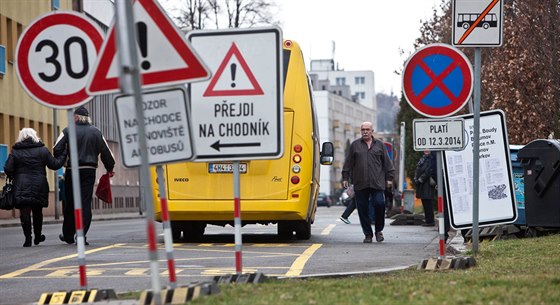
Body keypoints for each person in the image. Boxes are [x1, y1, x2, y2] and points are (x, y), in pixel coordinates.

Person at [54, 106, 115, 245]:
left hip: (72, 170)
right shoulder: (96, 132)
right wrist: (109, 168)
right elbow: (107, 153)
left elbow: (56, 149)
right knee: (85, 203)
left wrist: (65, 157)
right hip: (89, 170)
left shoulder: (68, 131)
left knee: (70, 202)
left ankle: (68, 235)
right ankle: (82, 235)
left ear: (76, 117)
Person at [3, 128, 66, 247]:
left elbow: (7, 168)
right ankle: (38, 236)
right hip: (39, 184)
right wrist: (65, 153)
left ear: (21, 137)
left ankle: (28, 239)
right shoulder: (42, 150)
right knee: (38, 211)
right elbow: (55, 165)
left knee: (24, 212)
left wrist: (15, 176)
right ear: (35, 136)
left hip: (21, 185)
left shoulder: (16, 151)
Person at [341, 121, 395, 243]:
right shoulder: (355, 145)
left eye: (367, 129)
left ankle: (378, 230)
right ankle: (368, 234)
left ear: (372, 131)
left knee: (380, 204)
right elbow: (348, 163)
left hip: (377, 182)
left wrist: (390, 178)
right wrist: (345, 178)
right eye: (363, 130)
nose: (365, 132)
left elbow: (387, 163)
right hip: (360, 183)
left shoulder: (380, 145)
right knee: (362, 209)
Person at [414, 150, 436, 226]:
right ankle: (428, 220)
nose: (426, 150)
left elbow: (428, 171)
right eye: (425, 149)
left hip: (427, 184)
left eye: (428, 149)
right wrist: (416, 178)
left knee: (428, 202)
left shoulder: (431, 159)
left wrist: (420, 179)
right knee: (425, 202)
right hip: (423, 185)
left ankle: (430, 221)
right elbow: (418, 169)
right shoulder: (423, 159)